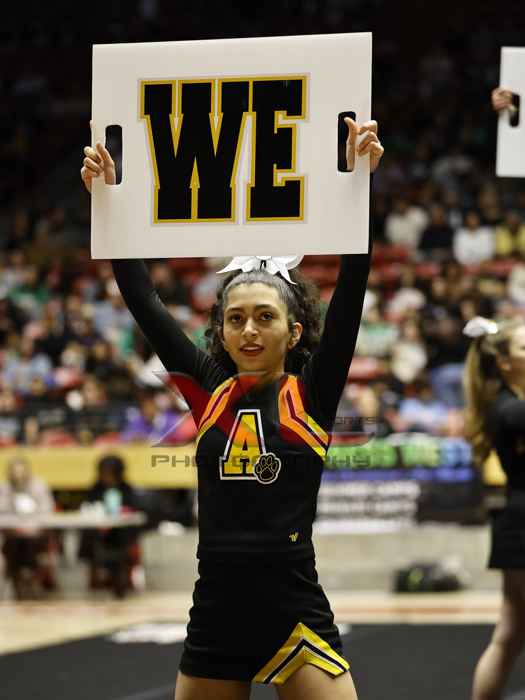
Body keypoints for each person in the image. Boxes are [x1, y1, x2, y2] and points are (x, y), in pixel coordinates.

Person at [81, 115, 383, 699]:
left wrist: (360, 179)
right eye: (236, 319)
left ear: (294, 331)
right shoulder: (208, 387)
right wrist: (109, 200)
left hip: (293, 605)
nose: (249, 330)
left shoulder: (312, 392)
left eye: (265, 317)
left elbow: (355, 279)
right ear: (219, 331)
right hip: (216, 608)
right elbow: (141, 297)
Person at [463, 316, 525, 700]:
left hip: (515, 522)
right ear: (504, 362)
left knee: (510, 632)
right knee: (508, 634)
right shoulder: (511, 410)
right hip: (521, 523)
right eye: (524, 347)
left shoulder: (509, 405)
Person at [78, 453, 141, 597]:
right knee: (88, 535)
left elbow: (133, 511)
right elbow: (89, 507)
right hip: (98, 531)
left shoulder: (126, 489)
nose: (107, 477)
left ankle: (119, 578)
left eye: (110, 473)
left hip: (120, 531)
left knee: (122, 537)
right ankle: (95, 575)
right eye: (104, 473)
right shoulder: (95, 488)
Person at [0, 455, 56, 598]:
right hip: (13, 534)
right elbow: (2, 512)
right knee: (14, 544)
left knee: (29, 543)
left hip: (36, 533)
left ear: (28, 472)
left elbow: (47, 511)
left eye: (21, 472)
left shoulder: (39, 486)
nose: (18, 477)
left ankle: (30, 577)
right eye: (14, 473)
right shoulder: (4, 488)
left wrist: (32, 528)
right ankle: (18, 580)